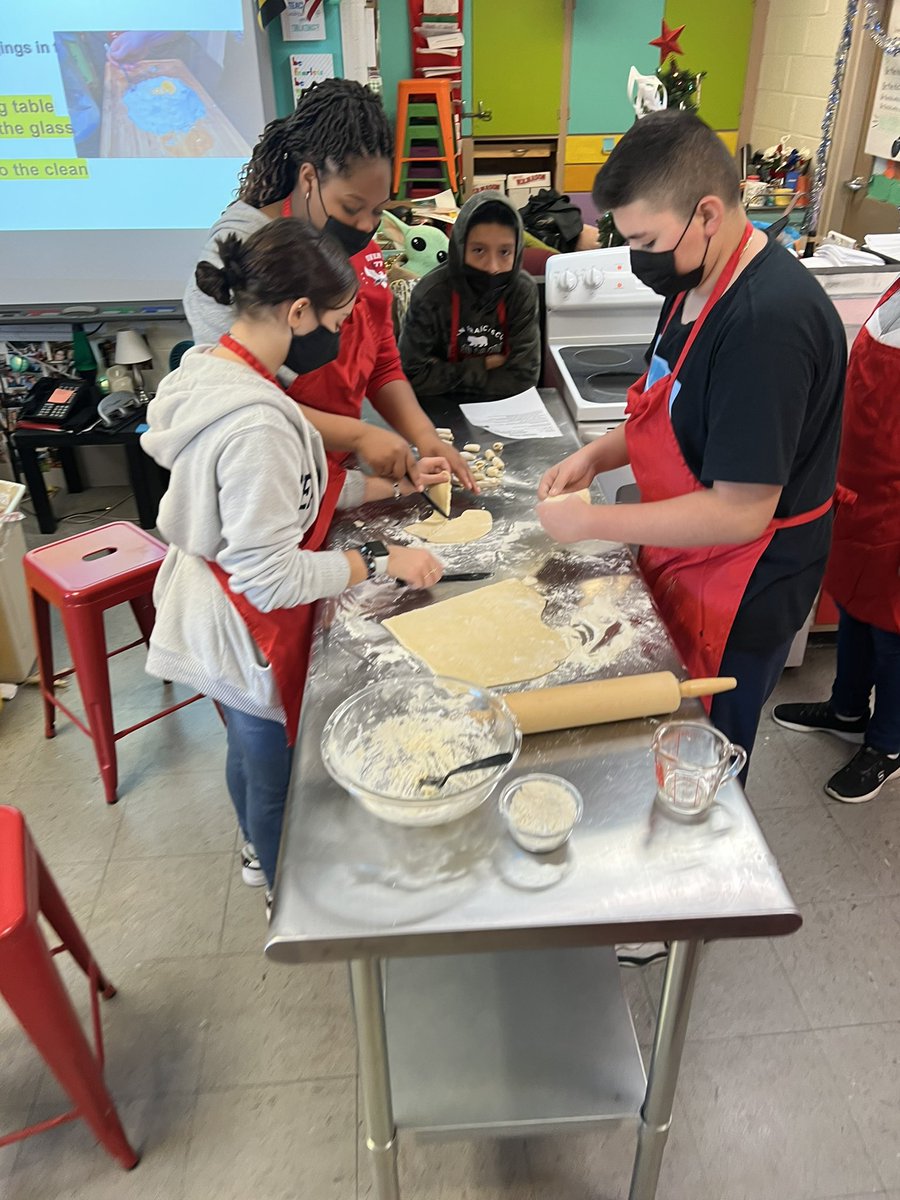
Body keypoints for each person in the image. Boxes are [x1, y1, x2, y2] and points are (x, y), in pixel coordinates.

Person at [536, 110, 846, 779]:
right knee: (661, 727)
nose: (637, 258)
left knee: (701, 756)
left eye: (646, 238)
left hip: (745, 579)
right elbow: (665, 410)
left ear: (707, 213)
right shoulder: (694, 279)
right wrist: (595, 455)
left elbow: (740, 511)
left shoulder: (767, 325)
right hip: (690, 549)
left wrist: (591, 522)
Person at [144, 218, 446, 898]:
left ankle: (254, 843)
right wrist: (379, 557)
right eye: (338, 324)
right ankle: (287, 888)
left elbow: (301, 491)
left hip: (220, 603)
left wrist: (391, 486)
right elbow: (271, 574)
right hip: (240, 624)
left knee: (247, 752)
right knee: (271, 770)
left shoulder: (221, 369)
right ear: (299, 312)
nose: (342, 339)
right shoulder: (257, 423)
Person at [183, 77, 473, 491]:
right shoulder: (238, 256)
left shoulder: (356, 245)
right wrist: (359, 435)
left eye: (378, 210)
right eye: (352, 207)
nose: (365, 226)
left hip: (334, 479)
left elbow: (382, 361)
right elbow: (234, 401)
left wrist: (424, 437)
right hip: (266, 477)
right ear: (308, 178)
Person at [773, 278, 900, 803]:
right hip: (860, 488)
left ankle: (888, 745)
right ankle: (846, 710)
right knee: (852, 602)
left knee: (893, 630)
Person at [398, 193, 541, 399]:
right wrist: (484, 365)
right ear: (460, 247)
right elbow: (411, 376)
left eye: (504, 252)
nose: (492, 267)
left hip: (505, 411)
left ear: (517, 251)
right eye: (479, 250)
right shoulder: (431, 293)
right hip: (438, 411)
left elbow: (523, 379)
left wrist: (443, 371)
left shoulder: (521, 291)